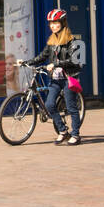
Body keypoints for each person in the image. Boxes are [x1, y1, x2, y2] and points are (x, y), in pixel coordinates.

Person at [25, 8, 83, 145]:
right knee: (49, 105)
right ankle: (63, 131)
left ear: (63, 23)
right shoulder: (52, 41)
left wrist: (56, 64)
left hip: (69, 78)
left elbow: (75, 61)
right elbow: (42, 56)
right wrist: (26, 62)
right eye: (51, 23)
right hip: (56, 80)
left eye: (56, 23)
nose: (53, 26)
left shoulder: (72, 41)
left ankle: (76, 135)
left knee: (71, 107)